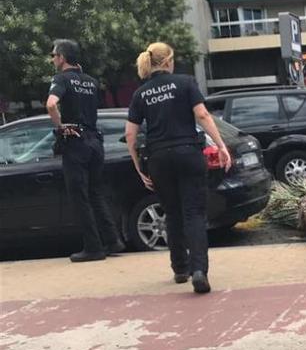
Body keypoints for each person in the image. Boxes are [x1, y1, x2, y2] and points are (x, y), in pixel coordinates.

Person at [125, 42, 231, 293]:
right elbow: (203, 116)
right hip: (188, 153)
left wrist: (138, 167)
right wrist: (221, 145)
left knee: (172, 213)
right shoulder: (185, 83)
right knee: (194, 213)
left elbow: (130, 134)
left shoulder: (141, 93)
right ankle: (198, 271)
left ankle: (179, 268)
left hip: (159, 159)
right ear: (168, 61)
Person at [46, 39, 124, 262]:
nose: (52, 59)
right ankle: (113, 240)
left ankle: (93, 247)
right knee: (95, 193)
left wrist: (60, 127)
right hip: (95, 142)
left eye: (53, 55)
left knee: (79, 197)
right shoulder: (90, 81)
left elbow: (51, 104)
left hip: (76, 143)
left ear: (61, 57)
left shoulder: (60, 79)